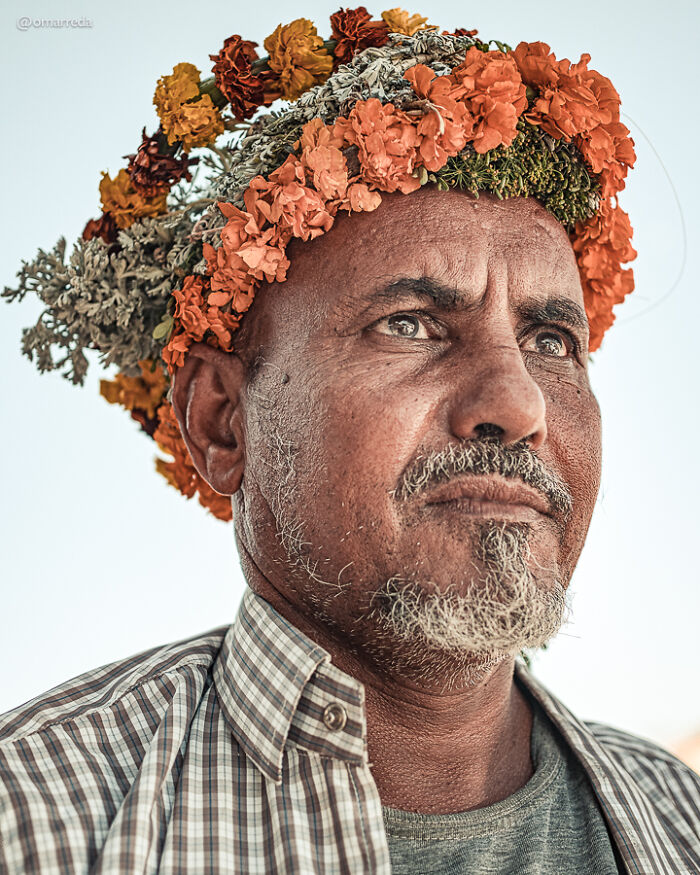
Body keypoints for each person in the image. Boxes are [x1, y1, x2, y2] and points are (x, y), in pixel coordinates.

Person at [1, 12, 699, 874]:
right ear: (225, 420)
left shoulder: (681, 818)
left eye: (552, 340)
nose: (517, 404)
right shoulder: (36, 814)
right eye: (410, 324)